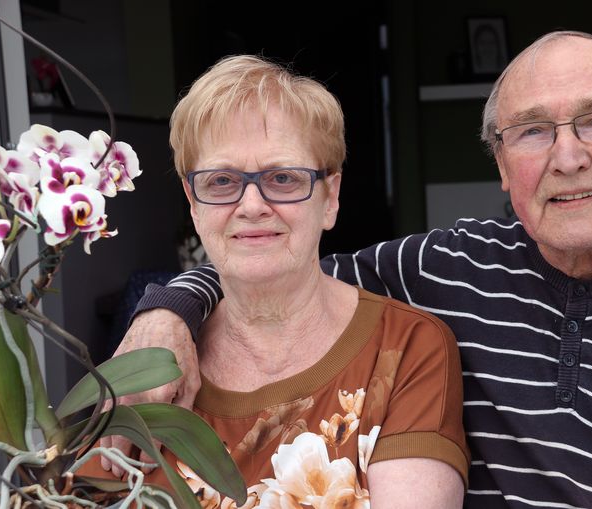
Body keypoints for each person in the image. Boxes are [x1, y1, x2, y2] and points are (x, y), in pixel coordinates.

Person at [116, 31, 592, 507]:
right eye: (531, 131)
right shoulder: (450, 266)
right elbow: (275, 262)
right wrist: (169, 310)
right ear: (502, 164)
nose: (567, 157)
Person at [92, 55, 469, 508]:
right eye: (222, 180)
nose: (252, 205)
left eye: (283, 178)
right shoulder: (148, 366)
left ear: (330, 197)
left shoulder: (404, 349)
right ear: (193, 202)